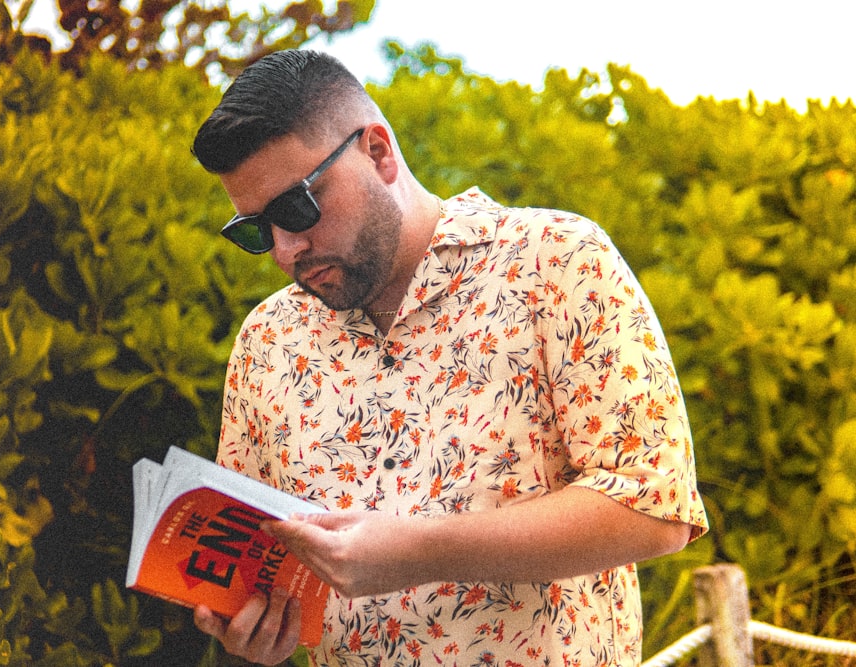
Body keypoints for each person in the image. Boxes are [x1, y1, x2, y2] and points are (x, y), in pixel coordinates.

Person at [190, 49, 708, 667]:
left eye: (296, 209)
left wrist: (414, 551)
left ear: (378, 152)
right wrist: (255, 634)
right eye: (254, 230)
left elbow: (654, 509)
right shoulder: (266, 342)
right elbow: (259, 571)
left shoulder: (558, 261)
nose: (285, 249)